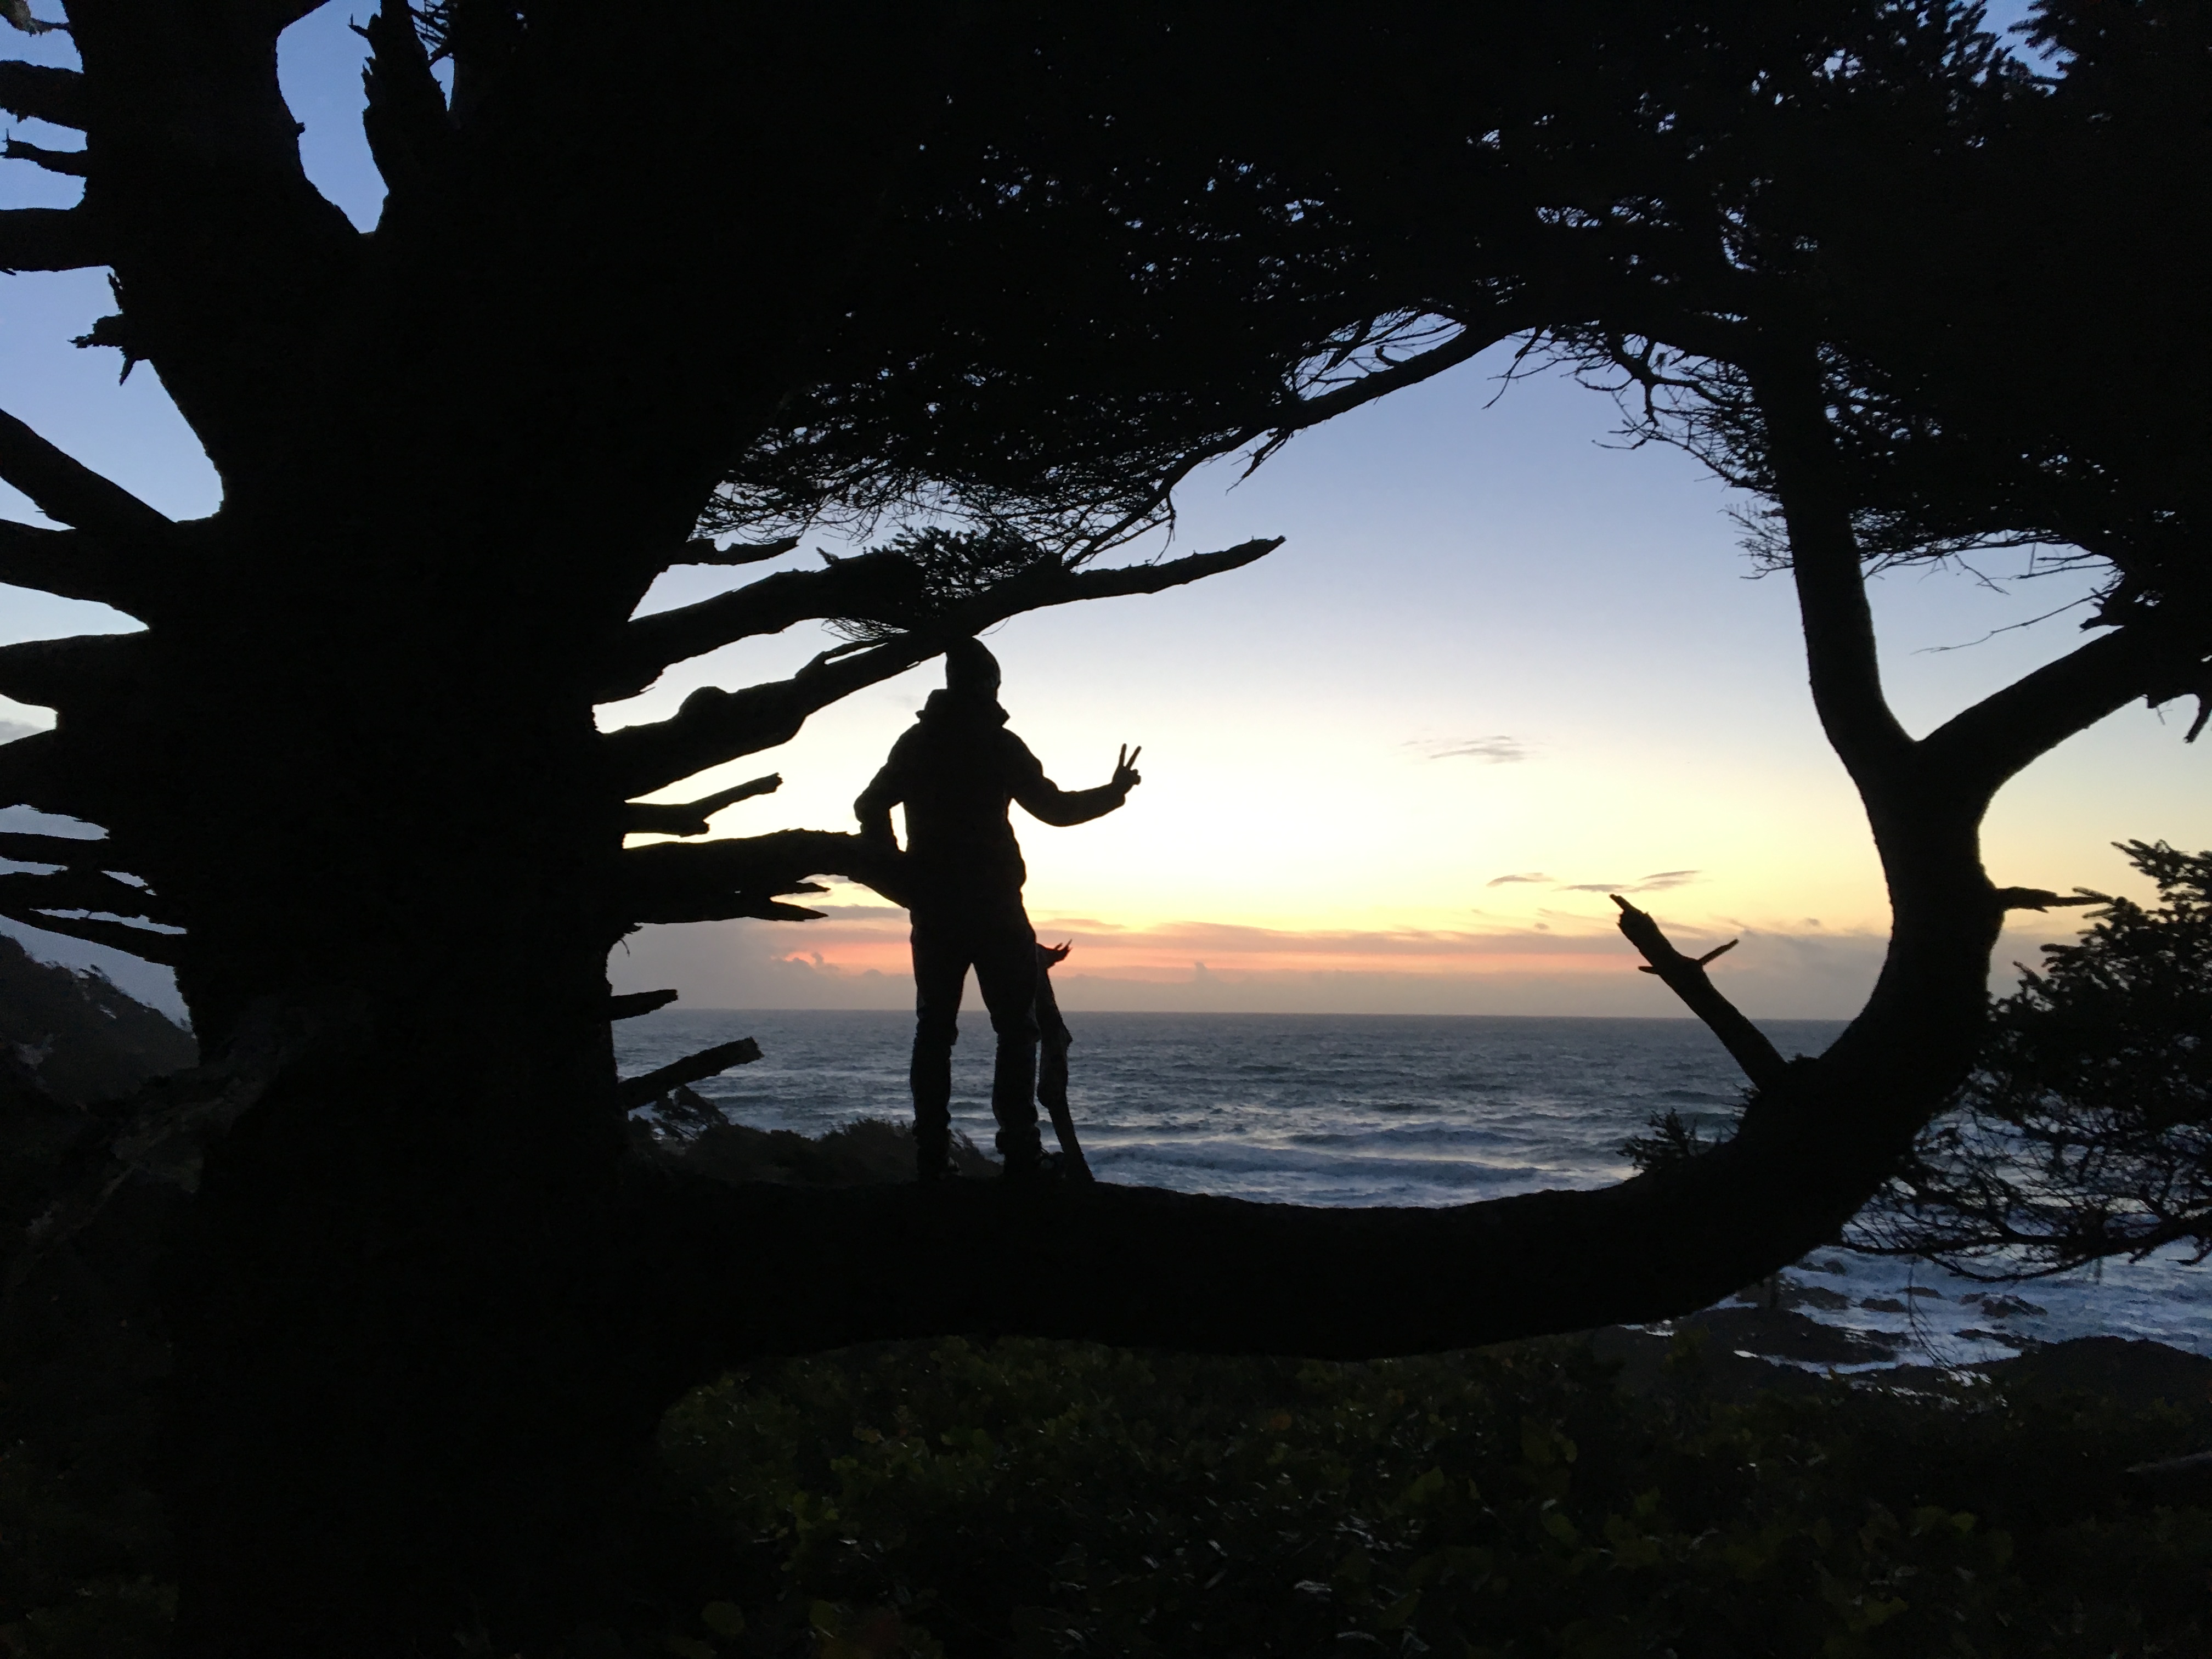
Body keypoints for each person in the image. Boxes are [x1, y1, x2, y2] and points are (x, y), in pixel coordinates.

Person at [855, 638, 1139, 1180]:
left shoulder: (917, 743)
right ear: (989, 687)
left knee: (933, 1031)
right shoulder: (999, 744)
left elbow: (870, 806)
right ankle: (1021, 1156)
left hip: (934, 908)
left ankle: (931, 1159)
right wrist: (1115, 791)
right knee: (1016, 1029)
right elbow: (1055, 809)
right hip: (996, 907)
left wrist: (898, 872)